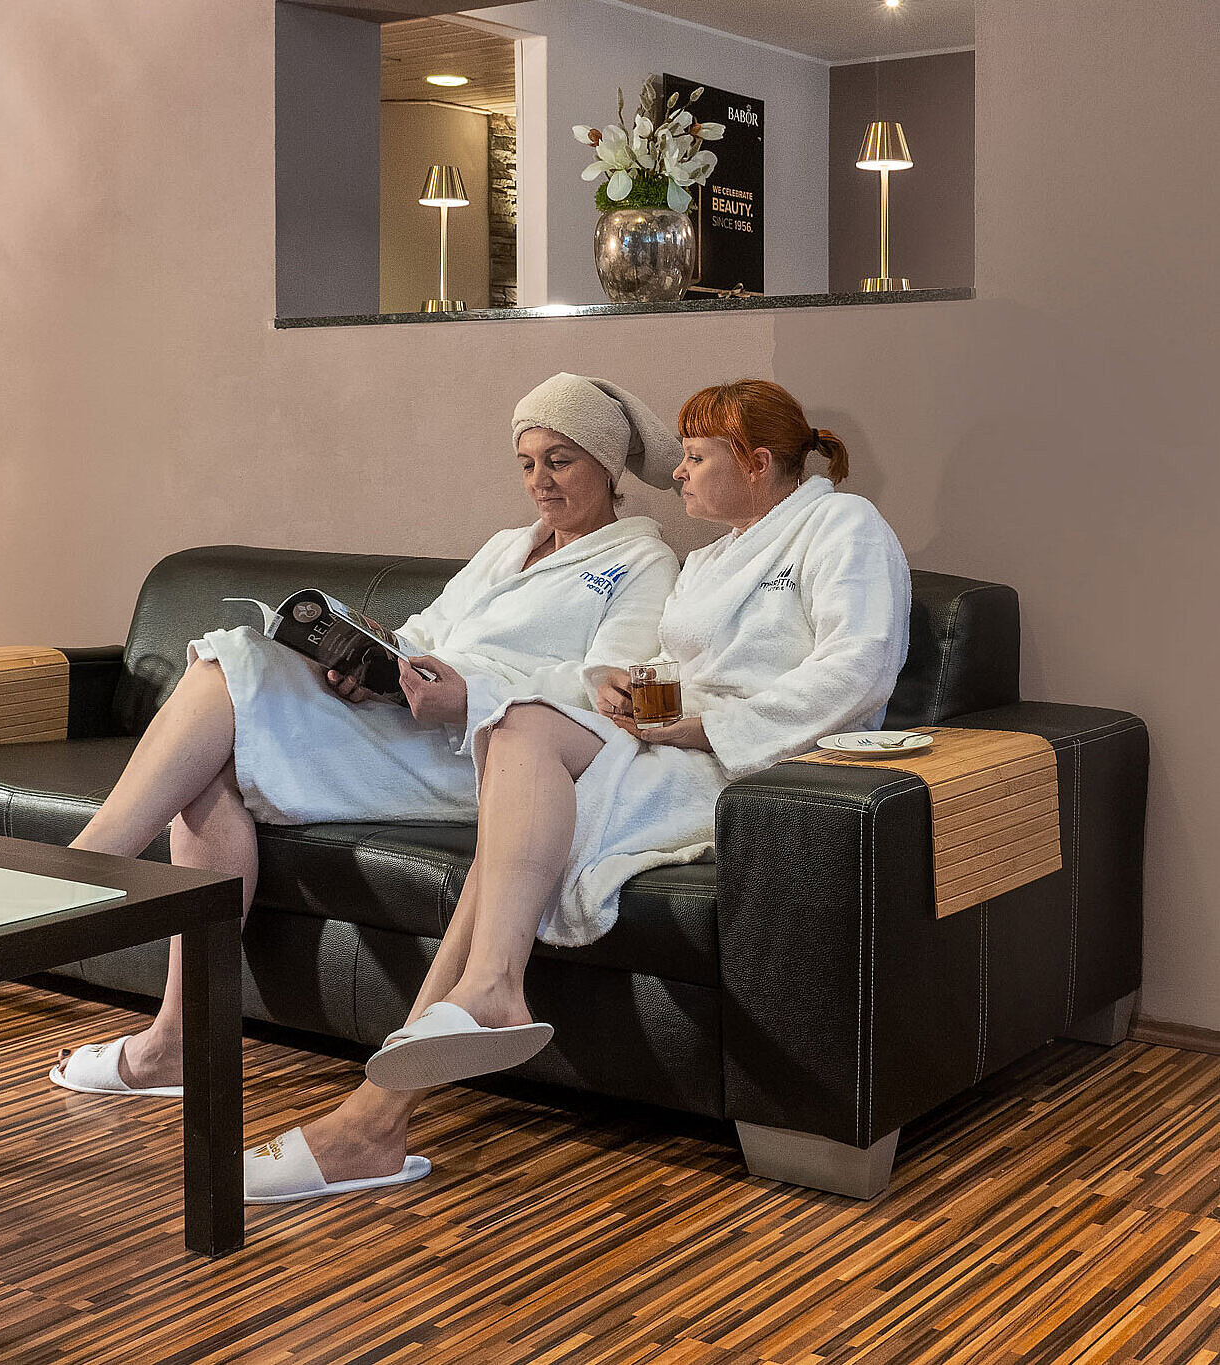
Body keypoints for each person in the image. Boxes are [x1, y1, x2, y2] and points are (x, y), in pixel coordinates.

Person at [246, 378, 911, 1204]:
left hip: (763, 770)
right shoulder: (708, 560)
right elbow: (684, 673)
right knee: (518, 725)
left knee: (505, 844)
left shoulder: (841, 526)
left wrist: (704, 727)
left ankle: (374, 1120)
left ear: (757, 461)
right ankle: (462, 1020)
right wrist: (626, 692)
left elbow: (858, 669)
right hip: (670, 744)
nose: (678, 474)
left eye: (696, 457)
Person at [51, 374, 683, 1099]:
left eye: (560, 460)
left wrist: (469, 692)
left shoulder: (642, 561)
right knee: (223, 701)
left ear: (605, 464)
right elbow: (427, 635)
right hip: (408, 718)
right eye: (526, 461)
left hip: (484, 749)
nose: (539, 481)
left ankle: (81, 877)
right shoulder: (510, 546)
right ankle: (175, 1041)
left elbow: (606, 690)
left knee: (229, 668)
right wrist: (369, 655)